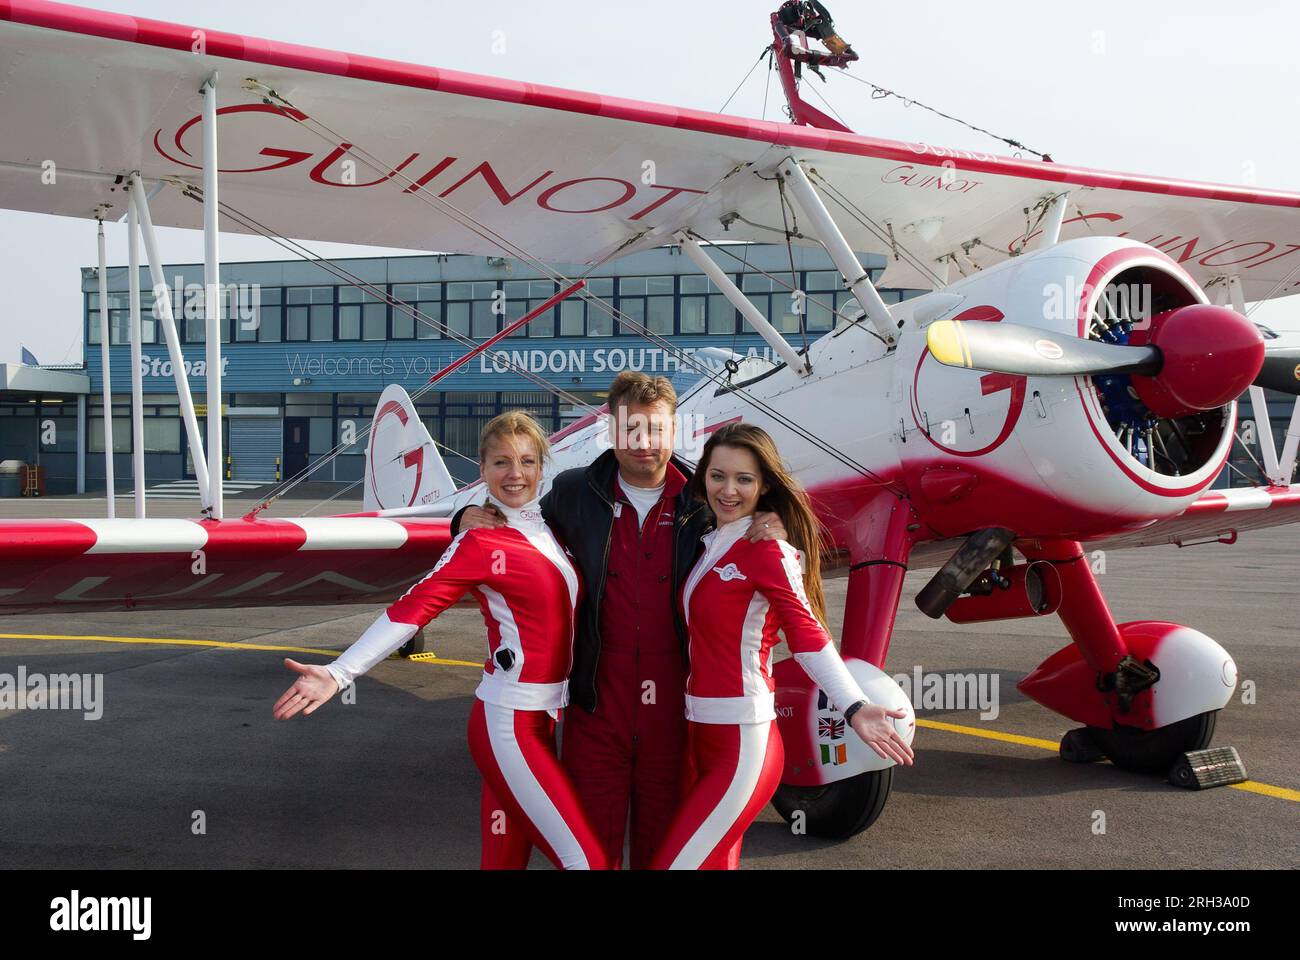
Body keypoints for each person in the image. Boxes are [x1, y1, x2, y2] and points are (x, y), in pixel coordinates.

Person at [452, 372, 788, 869]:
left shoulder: (707, 501)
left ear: (675, 432)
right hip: (596, 707)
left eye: (655, 430)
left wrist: (773, 522)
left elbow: (769, 536)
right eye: (630, 429)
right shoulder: (572, 492)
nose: (643, 443)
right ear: (610, 431)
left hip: (675, 714)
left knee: (665, 851)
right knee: (592, 852)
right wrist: (461, 518)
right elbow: (514, 517)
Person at [272, 411, 607, 871]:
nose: (516, 474)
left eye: (527, 462)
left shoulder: (548, 528)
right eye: (501, 463)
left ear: (542, 466)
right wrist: (337, 672)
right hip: (509, 723)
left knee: (504, 859)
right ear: (482, 469)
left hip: (545, 716)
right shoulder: (479, 541)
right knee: (586, 860)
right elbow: (413, 608)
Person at [650, 422, 914, 870]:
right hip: (701, 735)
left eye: (744, 479)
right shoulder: (711, 542)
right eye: (718, 476)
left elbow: (807, 632)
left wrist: (853, 705)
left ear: (764, 484)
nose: (728, 490)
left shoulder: (768, 549)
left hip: (743, 741)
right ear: (703, 479)